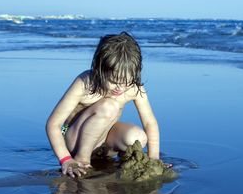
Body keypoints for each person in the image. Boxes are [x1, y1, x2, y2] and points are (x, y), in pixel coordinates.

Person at [46, 32, 161, 178]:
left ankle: (115, 159)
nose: (120, 87)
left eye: (126, 82)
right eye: (113, 81)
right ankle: (82, 158)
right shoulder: (85, 83)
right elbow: (53, 124)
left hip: (103, 142)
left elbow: (150, 122)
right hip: (74, 141)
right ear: (99, 69)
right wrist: (65, 159)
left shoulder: (133, 88)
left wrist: (154, 158)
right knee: (109, 106)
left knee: (138, 137)